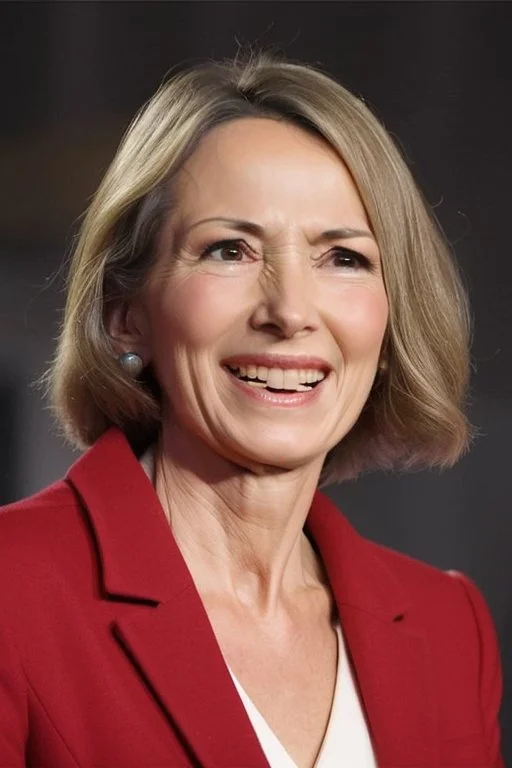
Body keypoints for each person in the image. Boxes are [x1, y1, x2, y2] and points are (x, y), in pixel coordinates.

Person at [0, 49, 504, 768]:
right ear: (125, 314)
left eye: (344, 258)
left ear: (391, 324)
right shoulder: (11, 591)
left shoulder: (450, 627)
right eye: (229, 250)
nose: (290, 310)